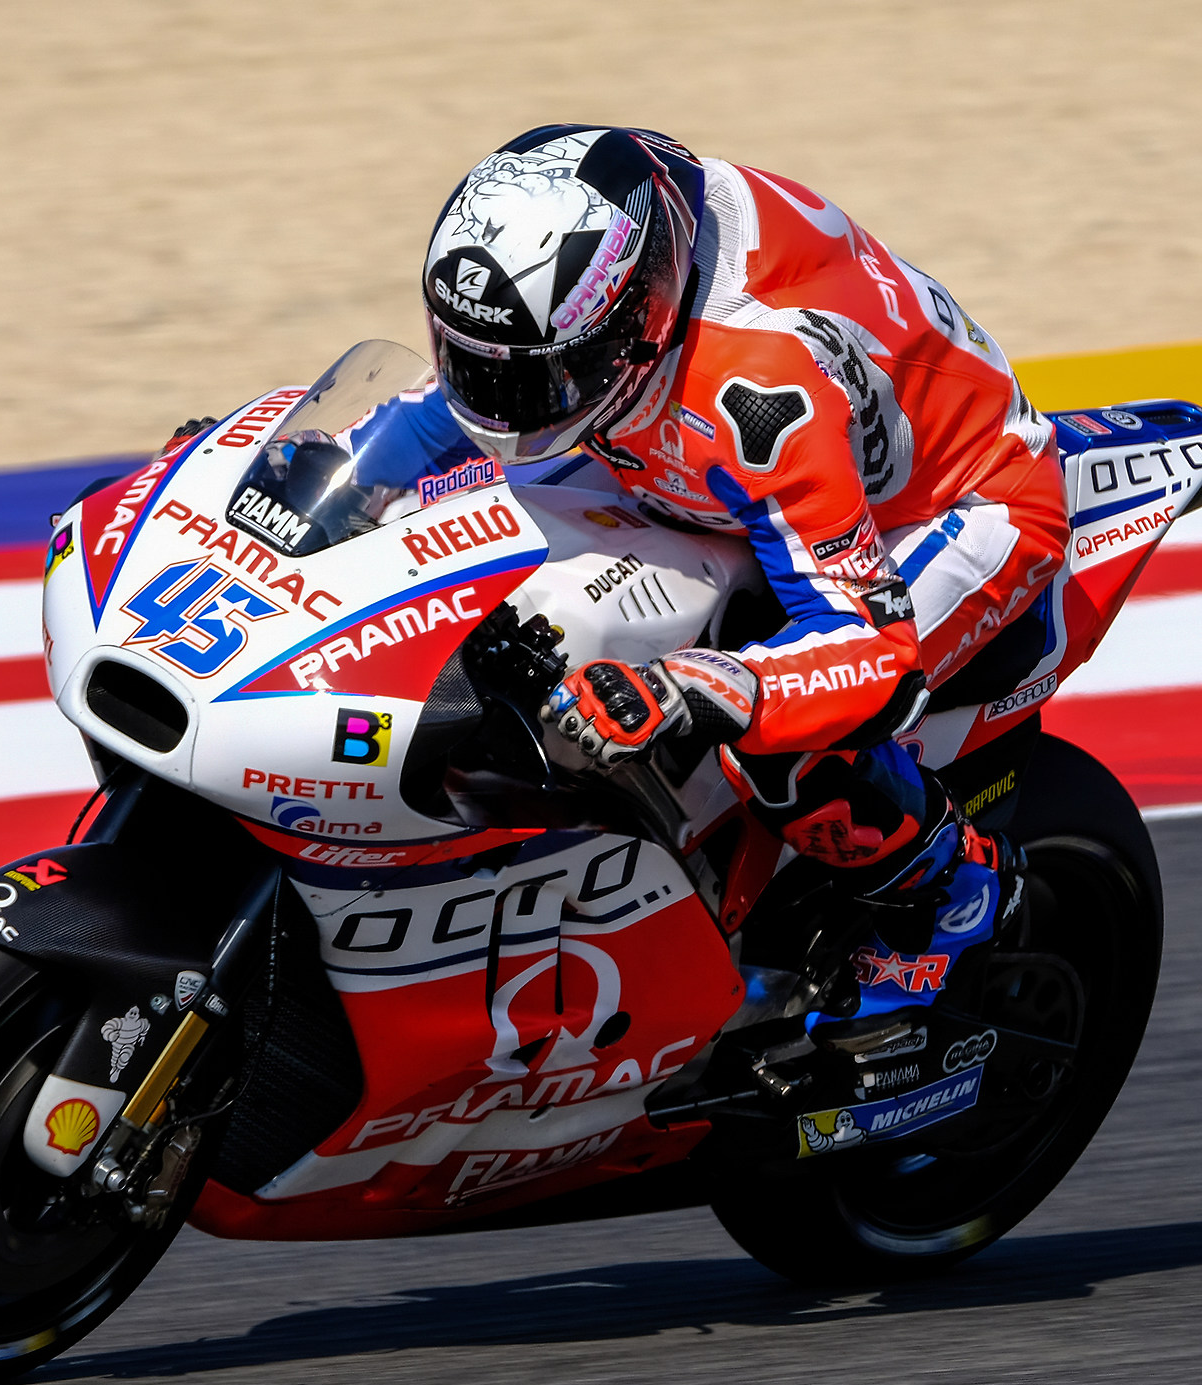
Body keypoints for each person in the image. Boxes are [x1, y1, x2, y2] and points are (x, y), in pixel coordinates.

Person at [407, 125, 1066, 1020]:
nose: (503, 410)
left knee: (771, 724)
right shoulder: (607, 235)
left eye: (541, 382)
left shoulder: (758, 385)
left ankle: (953, 894)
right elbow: (428, 425)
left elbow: (870, 650)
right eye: (472, 365)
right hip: (751, 480)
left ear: (637, 318)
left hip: (956, 506)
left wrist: (692, 690)